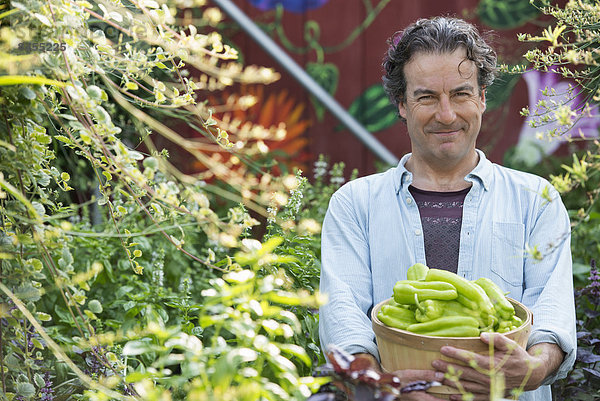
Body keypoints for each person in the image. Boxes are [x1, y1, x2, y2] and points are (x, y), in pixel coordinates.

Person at [318, 16, 576, 401]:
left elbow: (551, 313)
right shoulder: (355, 205)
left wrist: (532, 370)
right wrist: (388, 389)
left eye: (460, 94)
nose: (446, 115)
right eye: (426, 97)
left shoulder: (535, 200)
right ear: (402, 104)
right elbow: (344, 323)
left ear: (483, 97)